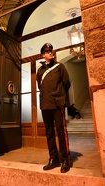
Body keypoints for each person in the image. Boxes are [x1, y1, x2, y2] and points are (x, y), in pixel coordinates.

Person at [36, 43, 71, 173]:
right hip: (45, 104)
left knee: (61, 132)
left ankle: (65, 159)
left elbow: (66, 83)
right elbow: (40, 87)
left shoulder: (60, 66)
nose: (50, 52)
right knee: (49, 132)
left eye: (51, 51)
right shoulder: (40, 71)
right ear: (43, 55)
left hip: (57, 104)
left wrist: (60, 96)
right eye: (47, 51)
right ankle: (53, 158)